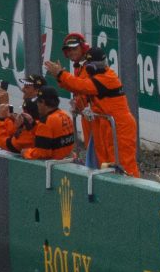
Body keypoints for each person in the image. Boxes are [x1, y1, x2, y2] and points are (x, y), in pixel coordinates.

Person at [50, 33, 140, 175]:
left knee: (124, 165)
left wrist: (60, 75)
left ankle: (134, 194)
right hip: (107, 123)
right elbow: (82, 88)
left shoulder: (106, 78)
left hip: (118, 125)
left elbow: (82, 86)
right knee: (106, 164)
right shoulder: (100, 75)